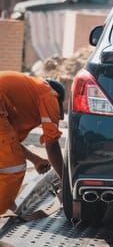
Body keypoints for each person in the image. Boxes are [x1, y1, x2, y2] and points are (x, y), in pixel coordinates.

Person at [0, 71, 65, 215]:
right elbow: (52, 143)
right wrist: (65, 181)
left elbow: (10, 143)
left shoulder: (22, 95)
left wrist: (35, 160)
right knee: (14, 167)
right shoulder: (49, 94)